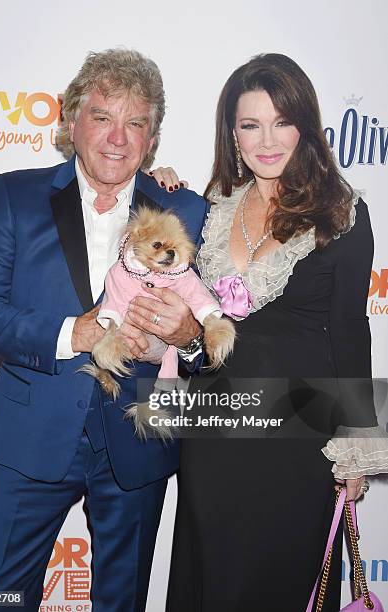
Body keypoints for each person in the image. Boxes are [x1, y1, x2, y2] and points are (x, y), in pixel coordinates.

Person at [129, 54, 388, 611]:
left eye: (281, 121)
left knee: (276, 580)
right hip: (217, 430)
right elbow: (162, 274)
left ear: (306, 125)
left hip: (297, 438)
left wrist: (356, 448)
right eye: (250, 124)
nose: (267, 140)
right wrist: (164, 188)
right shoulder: (211, 207)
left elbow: (349, 330)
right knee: (212, 577)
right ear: (232, 132)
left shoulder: (342, 212)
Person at [0, 48, 207, 612]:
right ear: (72, 121)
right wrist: (76, 332)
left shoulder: (186, 209)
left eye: (136, 123)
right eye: (102, 116)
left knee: (123, 604)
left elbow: (210, 327)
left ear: (151, 138)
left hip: (137, 444)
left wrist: (189, 331)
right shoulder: (13, 194)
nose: (118, 138)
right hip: (31, 438)